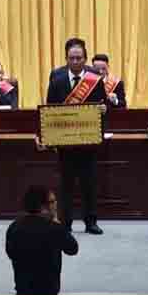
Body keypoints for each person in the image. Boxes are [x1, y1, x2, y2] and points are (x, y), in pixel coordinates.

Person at [46, 37, 107, 234]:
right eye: (71, 58)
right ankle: (66, 223)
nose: (75, 61)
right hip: (65, 142)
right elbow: (49, 108)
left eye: (79, 58)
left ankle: (91, 222)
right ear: (66, 58)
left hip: (88, 140)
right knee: (66, 185)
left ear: (85, 58)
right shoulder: (56, 77)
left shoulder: (94, 77)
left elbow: (103, 104)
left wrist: (104, 109)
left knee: (89, 183)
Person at [6, 185, 79, 295]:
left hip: (23, 292)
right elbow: (72, 249)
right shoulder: (54, 228)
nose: (56, 204)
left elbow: (10, 253)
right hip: (48, 294)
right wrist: (58, 224)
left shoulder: (14, 227)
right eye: (52, 201)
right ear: (43, 206)